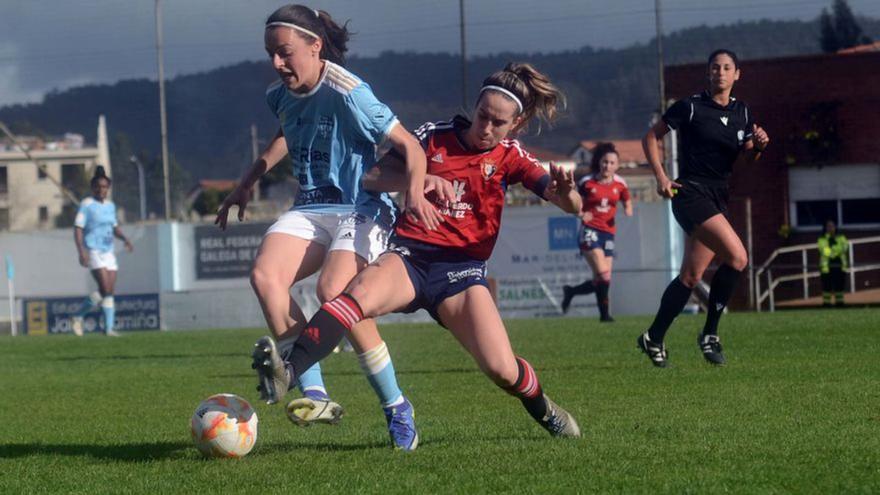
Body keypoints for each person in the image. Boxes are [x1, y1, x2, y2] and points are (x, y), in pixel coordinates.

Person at [252, 62, 584, 451]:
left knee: (501, 369)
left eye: (498, 123)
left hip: (461, 274)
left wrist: (568, 196)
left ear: (517, 123)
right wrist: (421, 179)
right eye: (482, 116)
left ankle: (544, 408)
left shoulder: (512, 157)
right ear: (474, 107)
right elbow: (372, 178)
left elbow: (571, 205)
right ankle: (289, 373)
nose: (487, 128)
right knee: (350, 296)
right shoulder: (432, 137)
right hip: (411, 257)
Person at [215, 4, 435, 425]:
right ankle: (314, 394)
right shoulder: (279, 95)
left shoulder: (349, 91)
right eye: (270, 54)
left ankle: (396, 406)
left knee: (335, 292)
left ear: (315, 46)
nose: (277, 63)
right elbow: (288, 128)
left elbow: (411, 145)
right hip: (313, 205)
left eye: (284, 52)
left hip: (361, 206)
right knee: (265, 277)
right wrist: (247, 181)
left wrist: (414, 194)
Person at [637, 49, 770, 367]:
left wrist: (760, 147)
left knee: (690, 277)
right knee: (738, 258)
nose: (720, 72)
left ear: (737, 74)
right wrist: (661, 176)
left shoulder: (743, 112)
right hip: (690, 193)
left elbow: (748, 158)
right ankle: (710, 334)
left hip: (717, 197)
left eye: (727, 68)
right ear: (708, 73)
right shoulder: (691, 107)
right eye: (715, 67)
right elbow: (651, 137)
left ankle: (653, 337)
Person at [561, 142, 633, 321]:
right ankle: (605, 315)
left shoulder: (621, 184)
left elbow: (627, 200)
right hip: (590, 231)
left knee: (603, 278)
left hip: (608, 233)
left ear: (617, 165)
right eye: (604, 162)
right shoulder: (587, 182)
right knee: (603, 273)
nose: (607, 166)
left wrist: (628, 209)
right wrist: (580, 214)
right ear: (599, 163)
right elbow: (574, 202)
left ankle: (576, 295)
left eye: (611, 163)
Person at [71, 166, 133, 337]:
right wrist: (81, 251)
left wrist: (125, 239)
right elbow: (78, 229)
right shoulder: (86, 205)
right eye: (98, 186)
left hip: (108, 252)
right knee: (105, 288)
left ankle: (108, 329)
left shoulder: (110, 206)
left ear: (108, 188)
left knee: (109, 291)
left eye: (105, 186)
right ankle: (78, 317)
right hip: (93, 250)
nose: (101, 189)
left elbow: (114, 228)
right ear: (93, 187)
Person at [818, 219, 848, 307]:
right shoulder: (822, 238)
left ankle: (840, 302)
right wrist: (835, 252)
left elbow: (845, 247)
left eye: (832, 226)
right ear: (825, 228)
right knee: (827, 285)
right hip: (826, 266)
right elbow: (823, 250)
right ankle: (826, 303)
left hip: (840, 265)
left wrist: (833, 251)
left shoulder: (841, 237)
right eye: (828, 226)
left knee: (839, 284)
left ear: (835, 227)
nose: (830, 228)